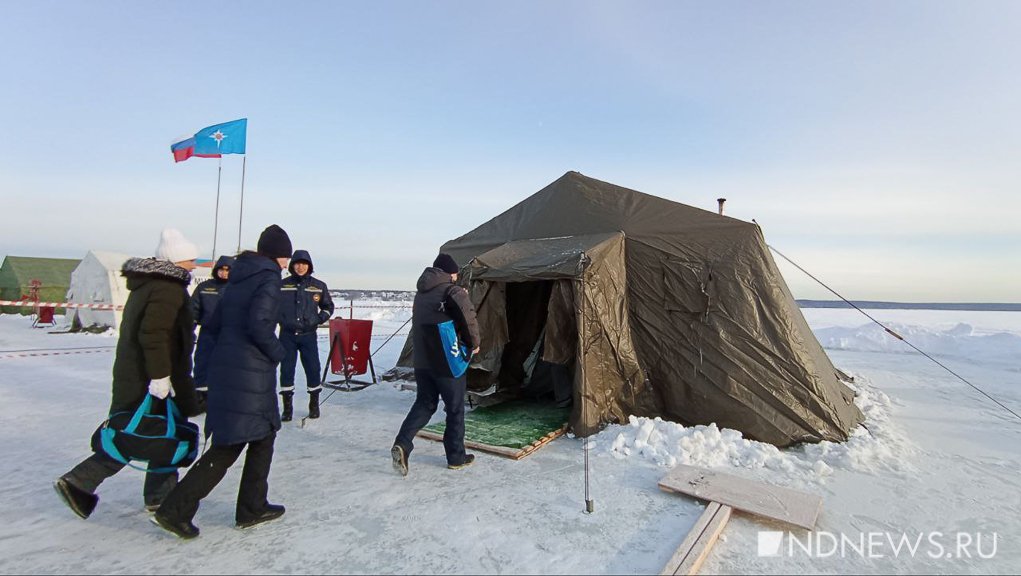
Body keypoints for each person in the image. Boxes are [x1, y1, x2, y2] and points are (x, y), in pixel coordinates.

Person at [152, 224, 293, 539]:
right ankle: (175, 509)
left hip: (228, 368)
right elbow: (259, 324)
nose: (286, 263)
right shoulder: (268, 279)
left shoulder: (239, 279)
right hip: (250, 372)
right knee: (230, 444)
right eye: (285, 257)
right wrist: (277, 351)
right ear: (277, 256)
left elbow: (212, 323)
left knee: (262, 436)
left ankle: (252, 506)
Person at [54, 228, 204, 518]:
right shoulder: (167, 289)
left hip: (140, 374)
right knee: (149, 435)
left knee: (155, 433)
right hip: (150, 378)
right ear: (176, 261)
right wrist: (160, 377)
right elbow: (154, 334)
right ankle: (81, 482)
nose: (194, 264)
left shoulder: (152, 284)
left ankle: (158, 498)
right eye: (190, 260)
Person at [391, 253, 480, 476]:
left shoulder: (421, 294)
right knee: (455, 407)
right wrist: (474, 344)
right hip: (447, 360)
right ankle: (456, 456)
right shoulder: (453, 291)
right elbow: (468, 319)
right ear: (450, 273)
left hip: (422, 360)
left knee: (425, 403)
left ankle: (403, 442)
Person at [277, 249, 334, 421]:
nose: (300, 267)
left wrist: (317, 319)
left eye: (304, 264)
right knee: (287, 370)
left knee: (312, 368)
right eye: (297, 263)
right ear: (293, 265)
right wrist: (282, 319)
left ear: (309, 266)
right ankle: (287, 408)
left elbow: (328, 307)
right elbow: (272, 307)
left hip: (308, 335)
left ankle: (314, 404)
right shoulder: (282, 285)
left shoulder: (318, 286)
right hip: (287, 336)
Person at [190, 255, 234, 397]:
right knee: (203, 363)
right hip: (208, 332)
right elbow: (193, 310)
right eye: (221, 269)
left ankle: (225, 394)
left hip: (230, 333)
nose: (224, 273)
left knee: (229, 364)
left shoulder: (237, 288)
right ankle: (201, 395)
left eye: (228, 270)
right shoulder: (204, 287)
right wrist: (189, 328)